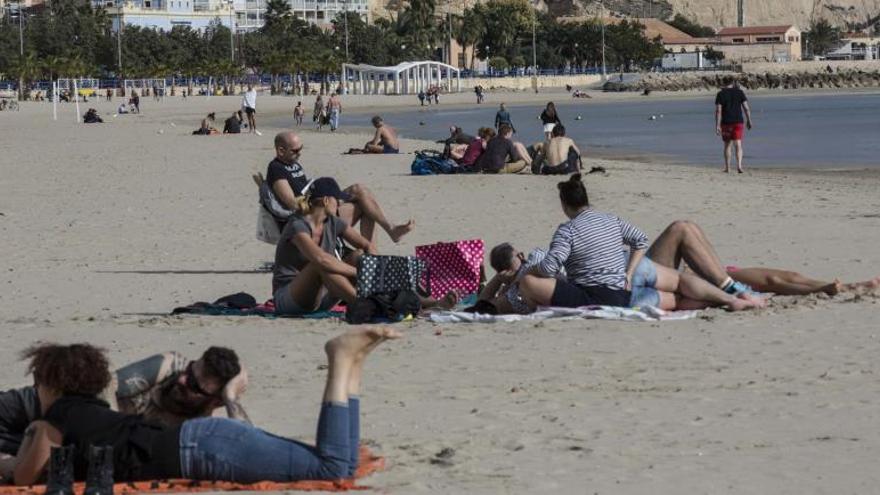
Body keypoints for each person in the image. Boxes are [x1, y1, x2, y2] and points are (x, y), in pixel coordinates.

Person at [4, 329, 400, 485]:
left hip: (200, 449)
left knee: (330, 468)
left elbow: (23, 478)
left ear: (52, 385)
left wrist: (26, 442)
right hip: (204, 441)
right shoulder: (90, 413)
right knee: (341, 466)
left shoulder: (53, 420)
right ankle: (353, 370)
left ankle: (341, 360)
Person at [517, 174, 766, 312]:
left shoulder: (567, 230)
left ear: (564, 205)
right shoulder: (611, 220)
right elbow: (640, 239)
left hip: (596, 296)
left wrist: (531, 270)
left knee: (677, 301)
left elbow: (550, 268)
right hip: (622, 289)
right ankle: (732, 297)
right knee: (677, 283)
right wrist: (629, 271)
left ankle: (726, 301)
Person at [0, 347, 249, 457]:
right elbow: (107, 385)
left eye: (195, 386)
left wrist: (231, 398)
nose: (184, 381)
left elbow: (246, 444)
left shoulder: (198, 424)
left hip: (70, 444)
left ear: (214, 400)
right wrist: (113, 431)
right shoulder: (168, 367)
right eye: (190, 371)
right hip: (55, 405)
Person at [645, 220, 880, 297]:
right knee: (681, 228)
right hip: (659, 275)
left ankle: (841, 286)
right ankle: (730, 288)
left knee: (784, 277)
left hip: (699, 271)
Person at [263, 132, 414, 243]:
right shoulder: (276, 169)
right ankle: (374, 252)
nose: (299, 154)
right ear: (281, 150)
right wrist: (320, 200)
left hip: (317, 206)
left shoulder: (292, 163)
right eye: (295, 151)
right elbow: (292, 203)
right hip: (310, 219)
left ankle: (385, 236)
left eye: (301, 149)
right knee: (365, 207)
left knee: (360, 189)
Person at [273, 178, 375, 315]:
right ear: (325, 200)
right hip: (290, 298)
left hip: (323, 294)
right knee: (319, 263)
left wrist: (377, 269)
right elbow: (321, 259)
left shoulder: (332, 221)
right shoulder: (297, 225)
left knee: (358, 256)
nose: (339, 204)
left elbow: (365, 244)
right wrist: (358, 273)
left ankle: (374, 297)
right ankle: (362, 303)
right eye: (336, 200)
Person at [715, 75, 752, 173]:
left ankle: (727, 168)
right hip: (738, 122)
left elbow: (718, 110)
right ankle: (739, 166)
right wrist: (749, 120)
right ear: (733, 82)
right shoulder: (740, 93)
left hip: (726, 122)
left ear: (724, 82)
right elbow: (746, 108)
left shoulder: (720, 94)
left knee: (727, 145)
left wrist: (717, 125)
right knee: (738, 144)